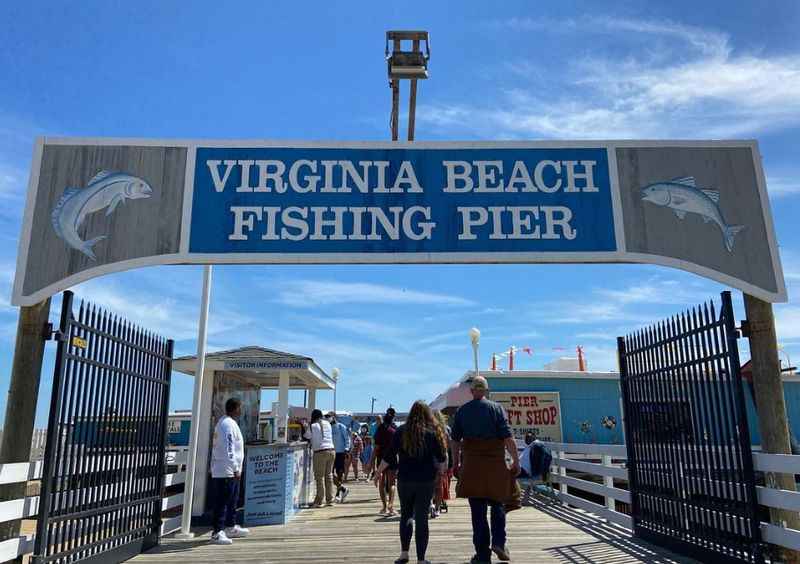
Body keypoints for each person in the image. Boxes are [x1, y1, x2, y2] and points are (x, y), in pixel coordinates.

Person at [452, 376, 520, 563]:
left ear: (472, 391)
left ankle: (482, 555)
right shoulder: (496, 409)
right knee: (498, 502)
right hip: (495, 464)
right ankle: (498, 541)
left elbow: (455, 441)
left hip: (472, 465)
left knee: (478, 510)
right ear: (486, 391)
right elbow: (508, 438)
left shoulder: (462, 411)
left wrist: (456, 463)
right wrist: (516, 461)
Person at [375, 400, 446, 564]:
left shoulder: (400, 432)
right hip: (425, 481)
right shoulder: (431, 433)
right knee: (422, 518)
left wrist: (378, 472)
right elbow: (441, 458)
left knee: (406, 515)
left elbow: (389, 455)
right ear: (427, 415)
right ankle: (421, 559)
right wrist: (441, 473)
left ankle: (404, 554)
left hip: (405, 480)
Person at [209, 397, 250, 545]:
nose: (241, 410)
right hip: (225, 470)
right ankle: (217, 532)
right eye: (240, 407)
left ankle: (230, 526)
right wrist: (235, 468)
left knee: (232, 500)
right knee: (222, 501)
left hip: (230, 470)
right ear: (235, 408)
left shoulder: (230, 423)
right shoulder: (226, 424)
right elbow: (229, 448)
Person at [303, 409, 335, 507]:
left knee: (319, 477)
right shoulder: (328, 424)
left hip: (320, 452)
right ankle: (330, 499)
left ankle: (319, 500)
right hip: (332, 450)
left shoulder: (312, 426)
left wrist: (304, 427)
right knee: (329, 476)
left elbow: (307, 436)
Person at [374, 408, 398, 515]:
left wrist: (371, 461)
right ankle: (391, 505)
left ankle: (384, 506)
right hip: (392, 458)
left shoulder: (380, 429)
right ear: (393, 417)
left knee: (381, 483)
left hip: (381, 458)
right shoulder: (395, 429)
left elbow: (376, 447)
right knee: (392, 483)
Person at [431, 409, 452, 517]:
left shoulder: (429, 428)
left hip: (431, 458)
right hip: (443, 458)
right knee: (439, 484)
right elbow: (449, 446)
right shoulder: (446, 429)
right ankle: (438, 507)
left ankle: (431, 504)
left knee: (430, 483)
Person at [328, 412, 352, 502]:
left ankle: (338, 494)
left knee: (339, 473)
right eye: (327, 417)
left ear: (334, 417)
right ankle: (342, 488)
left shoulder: (341, 426)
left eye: (329, 416)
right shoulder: (328, 427)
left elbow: (347, 438)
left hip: (340, 452)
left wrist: (347, 449)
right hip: (331, 451)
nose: (328, 418)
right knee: (330, 473)